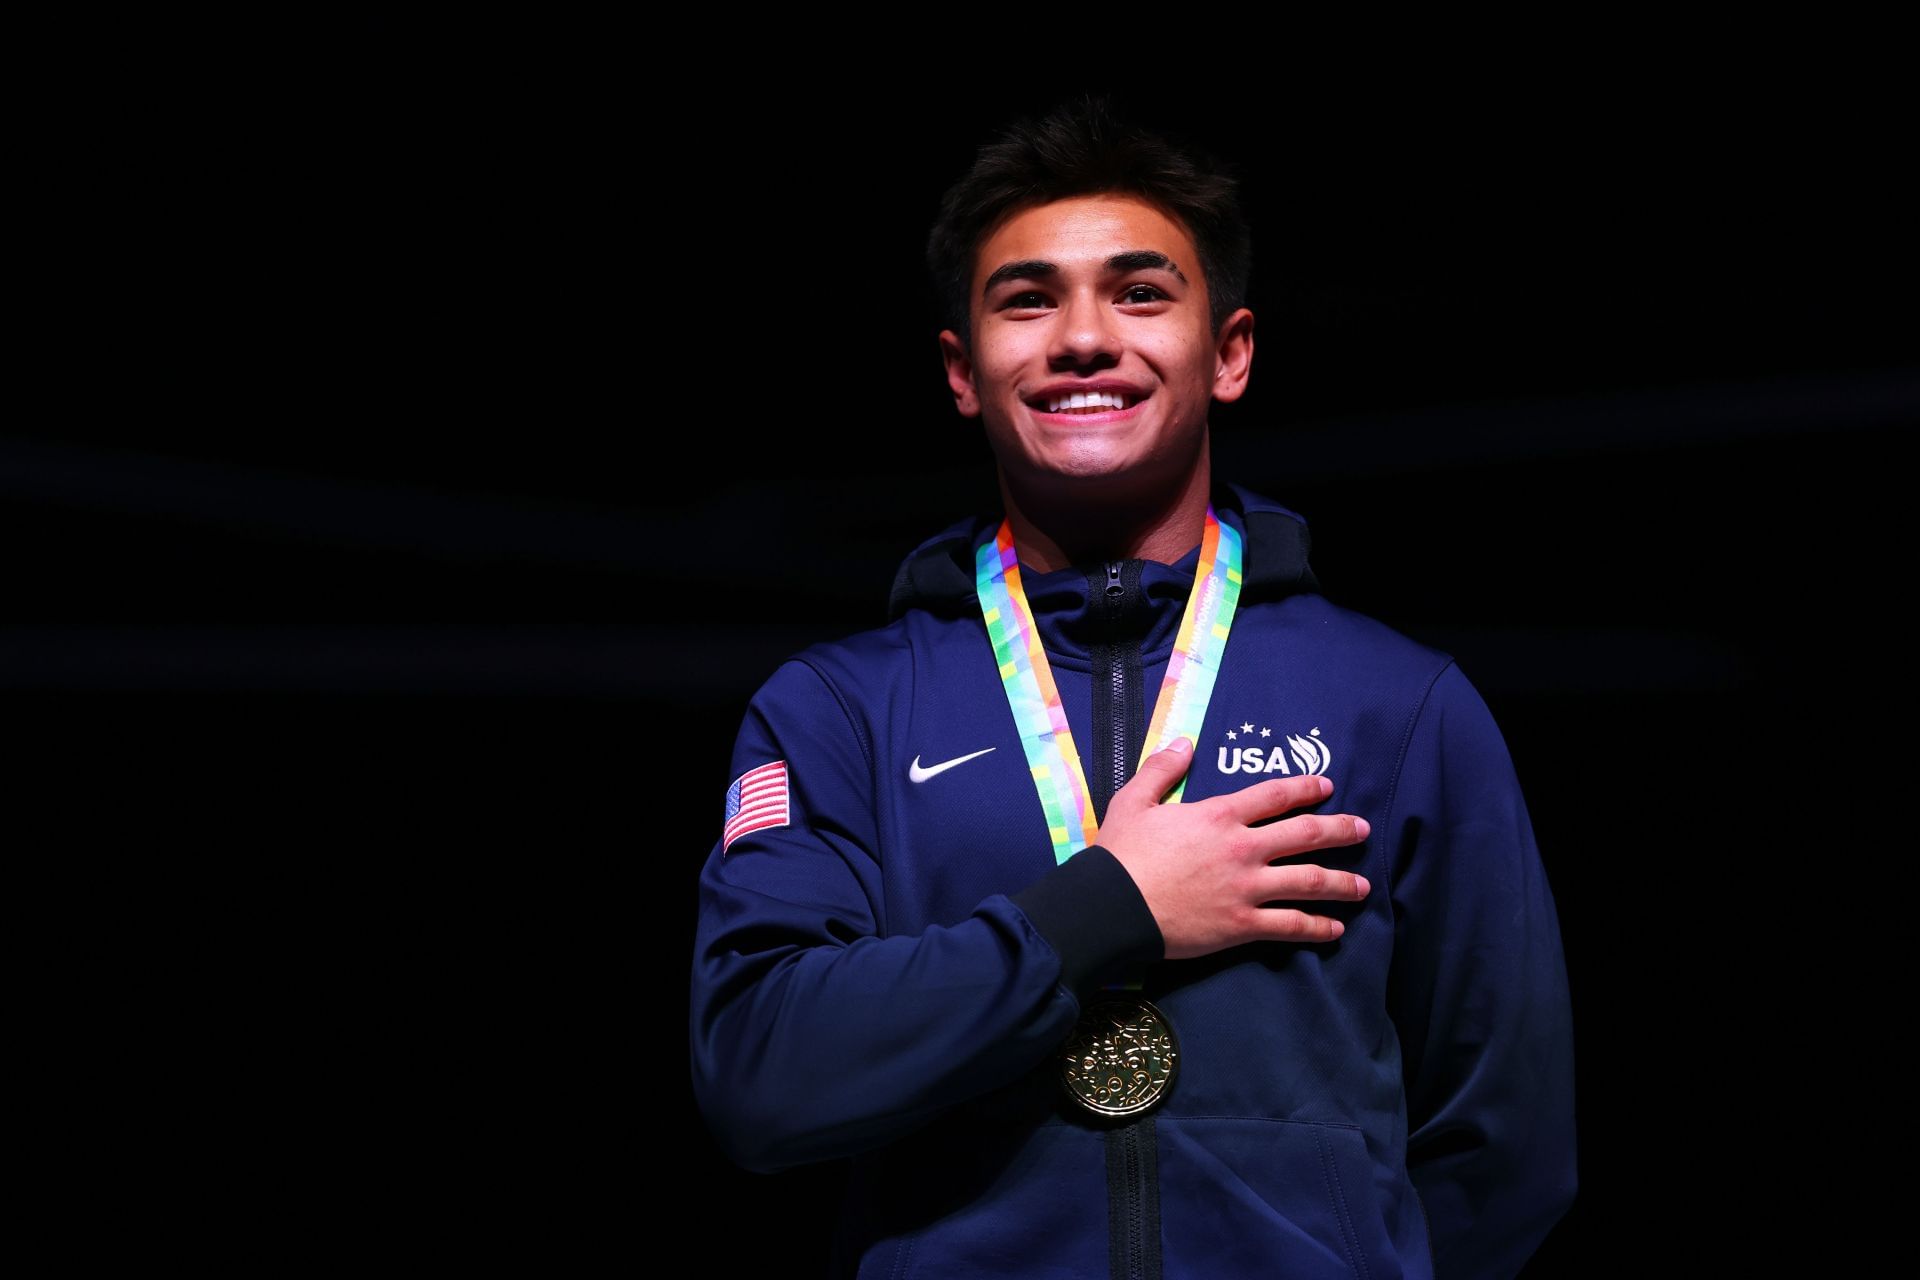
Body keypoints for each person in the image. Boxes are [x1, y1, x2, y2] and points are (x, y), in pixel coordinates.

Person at [688, 93, 1576, 1280]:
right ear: (963, 369)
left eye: (1141, 292)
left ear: (1230, 352)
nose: (1084, 338)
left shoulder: (1399, 703)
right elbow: (762, 1072)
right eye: (1028, 299)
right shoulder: (838, 710)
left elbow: (1506, 1152)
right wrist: (1107, 906)